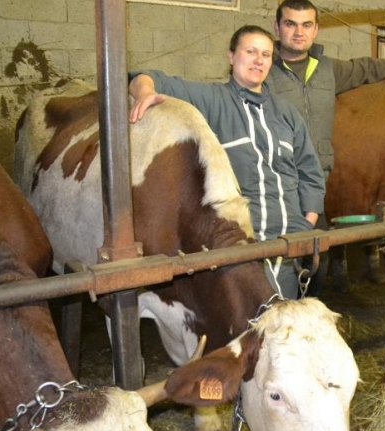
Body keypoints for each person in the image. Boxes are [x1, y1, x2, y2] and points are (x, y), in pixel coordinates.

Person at [268, 0, 385, 296]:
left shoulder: (327, 70)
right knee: (275, 262)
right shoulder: (263, 70)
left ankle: (300, 322)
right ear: (277, 28)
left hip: (313, 187)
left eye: (305, 25)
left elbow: (370, 67)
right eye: (290, 24)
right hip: (273, 185)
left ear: (315, 30)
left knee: (318, 262)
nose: (298, 32)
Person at [128, 25, 325, 300]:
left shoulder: (287, 113)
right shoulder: (211, 100)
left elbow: (310, 173)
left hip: (291, 242)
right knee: (251, 319)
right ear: (231, 57)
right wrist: (143, 91)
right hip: (242, 244)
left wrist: (307, 222)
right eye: (251, 51)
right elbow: (144, 76)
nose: (259, 60)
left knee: (287, 322)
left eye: (266, 54)